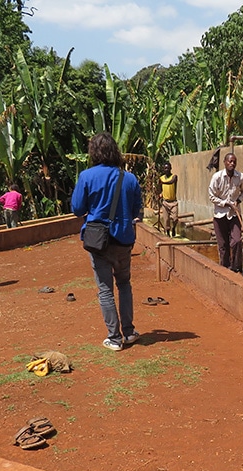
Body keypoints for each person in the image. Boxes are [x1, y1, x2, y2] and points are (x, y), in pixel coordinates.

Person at [71, 132, 143, 352]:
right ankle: (128, 332)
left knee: (105, 289)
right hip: (123, 240)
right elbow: (136, 211)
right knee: (124, 284)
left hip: (98, 242)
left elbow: (77, 209)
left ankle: (114, 337)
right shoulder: (129, 178)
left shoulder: (86, 176)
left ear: (93, 152)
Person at [208, 152, 243, 273]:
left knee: (236, 241)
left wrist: (238, 201)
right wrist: (225, 203)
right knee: (223, 245)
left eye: (234, 162)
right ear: (225, 162)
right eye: (230, 161)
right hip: (220, 215)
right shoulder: (217, 177)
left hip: (234, 214)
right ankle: (225, 269)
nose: (232, 164)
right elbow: (211, 196)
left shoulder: (240, 177)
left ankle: (236, 268)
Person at [158, 162, 179, 237]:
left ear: (170, 168)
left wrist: (163, 182)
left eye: (168, 168)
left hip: (173, 202)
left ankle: (173, 228)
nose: (166, 170)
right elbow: (159, 188)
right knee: (166, 220)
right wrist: (160, 194)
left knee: (175, 218)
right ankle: (167, 233)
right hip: (165, 202)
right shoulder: (161, 178)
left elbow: (171, 182)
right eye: (165, 168)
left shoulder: (174, 177)